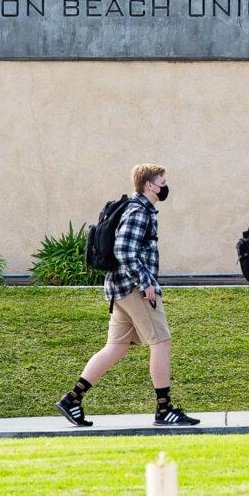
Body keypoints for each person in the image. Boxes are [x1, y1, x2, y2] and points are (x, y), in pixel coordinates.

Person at [57, 164, 199, 427]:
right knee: (161, 343)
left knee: (117, 347)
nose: (165, 187)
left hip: (119, 289)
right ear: (149, 185)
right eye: (162, 182)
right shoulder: (139, 211)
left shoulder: (136, 209)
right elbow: (123, 249)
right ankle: (163, 410)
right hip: (134, 288)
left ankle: (72, 400)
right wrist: (146, 283)